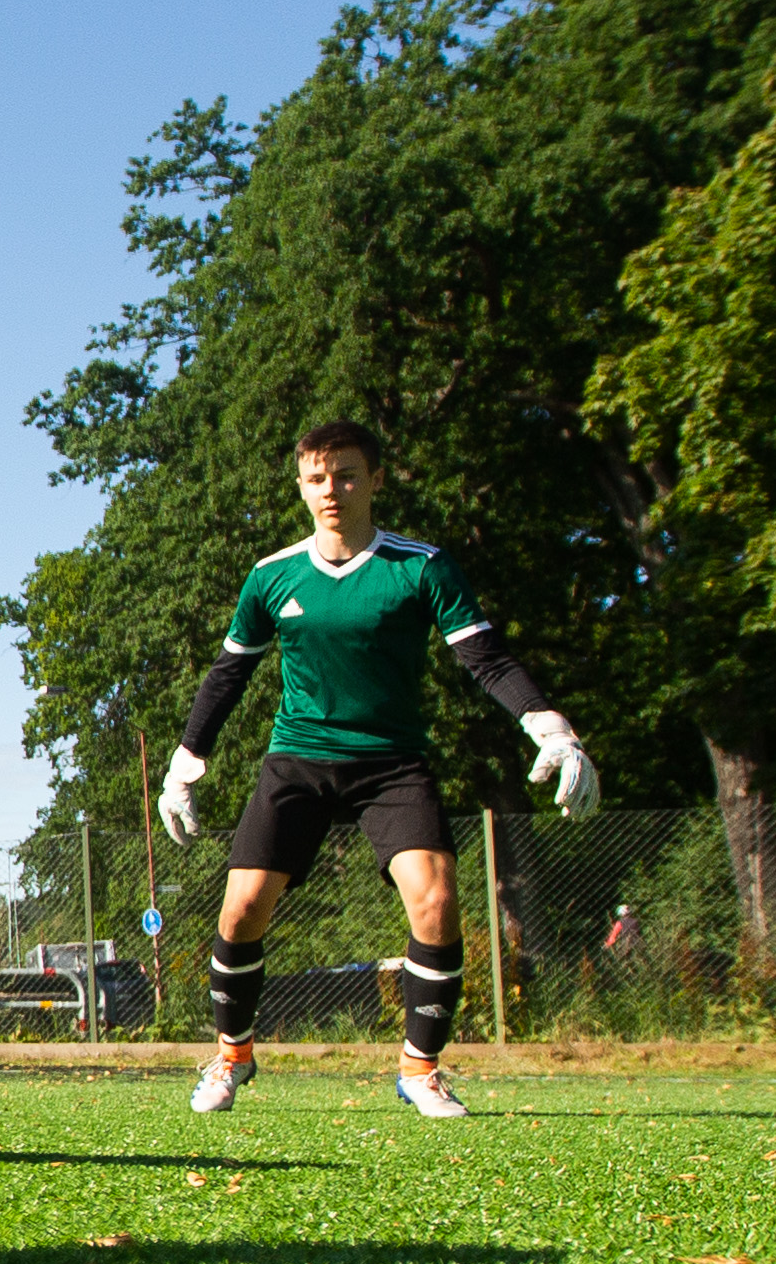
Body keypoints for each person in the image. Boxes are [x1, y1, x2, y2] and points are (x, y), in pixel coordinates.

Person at [154, 419, 601, 1117]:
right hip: (297, 757)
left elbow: (484, 657)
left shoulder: (420, 566)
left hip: (391, 761)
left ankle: (419, 1069)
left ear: (375, 479)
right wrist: (184, 764)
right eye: (316, 478)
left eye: (347, 475)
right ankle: (231, 1055)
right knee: (240, 909)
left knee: (437, 900)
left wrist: (549, 728)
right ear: (300, 486)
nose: (331, 490)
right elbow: (227, 674)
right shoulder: (271, 575)